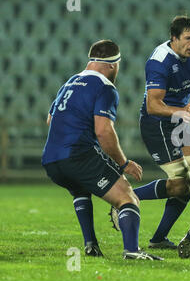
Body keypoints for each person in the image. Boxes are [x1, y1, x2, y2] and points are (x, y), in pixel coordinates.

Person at [117, 15, 190, 249]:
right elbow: (153, 105)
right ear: (174, 39)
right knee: (180, 184)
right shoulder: (159, 61)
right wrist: (177, 112)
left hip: (180, 118)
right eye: (188, 38)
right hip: (157, 122)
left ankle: (158, 238)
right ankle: (125, 198)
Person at [42, 39, 162, 260]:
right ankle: (132, 251)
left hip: (51, 159)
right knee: (127, 197)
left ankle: (91, 244)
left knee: (79, 188)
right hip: (78, 155)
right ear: (112, 65)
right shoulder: (105, 88)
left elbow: (50, 120)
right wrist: (124, 163)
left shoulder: (68, 83)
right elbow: (104, 132)